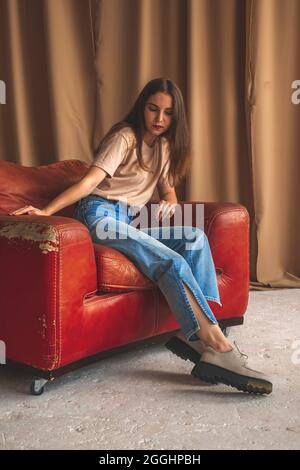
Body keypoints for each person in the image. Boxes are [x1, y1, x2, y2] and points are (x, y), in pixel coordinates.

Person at [10, 77, 272, 395]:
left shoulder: (163, 147)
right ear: (142, 108)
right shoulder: (125, 137)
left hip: (132, 220)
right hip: (99, 215)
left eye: (167, 113)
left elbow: (169, 190)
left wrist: (169, 203)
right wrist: (46, 210)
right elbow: (89, 182)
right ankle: (217, 344)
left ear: (177, 117)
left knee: (194, 239)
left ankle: (192, 333)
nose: (159, 119)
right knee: (171, 262)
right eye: (153, 109)